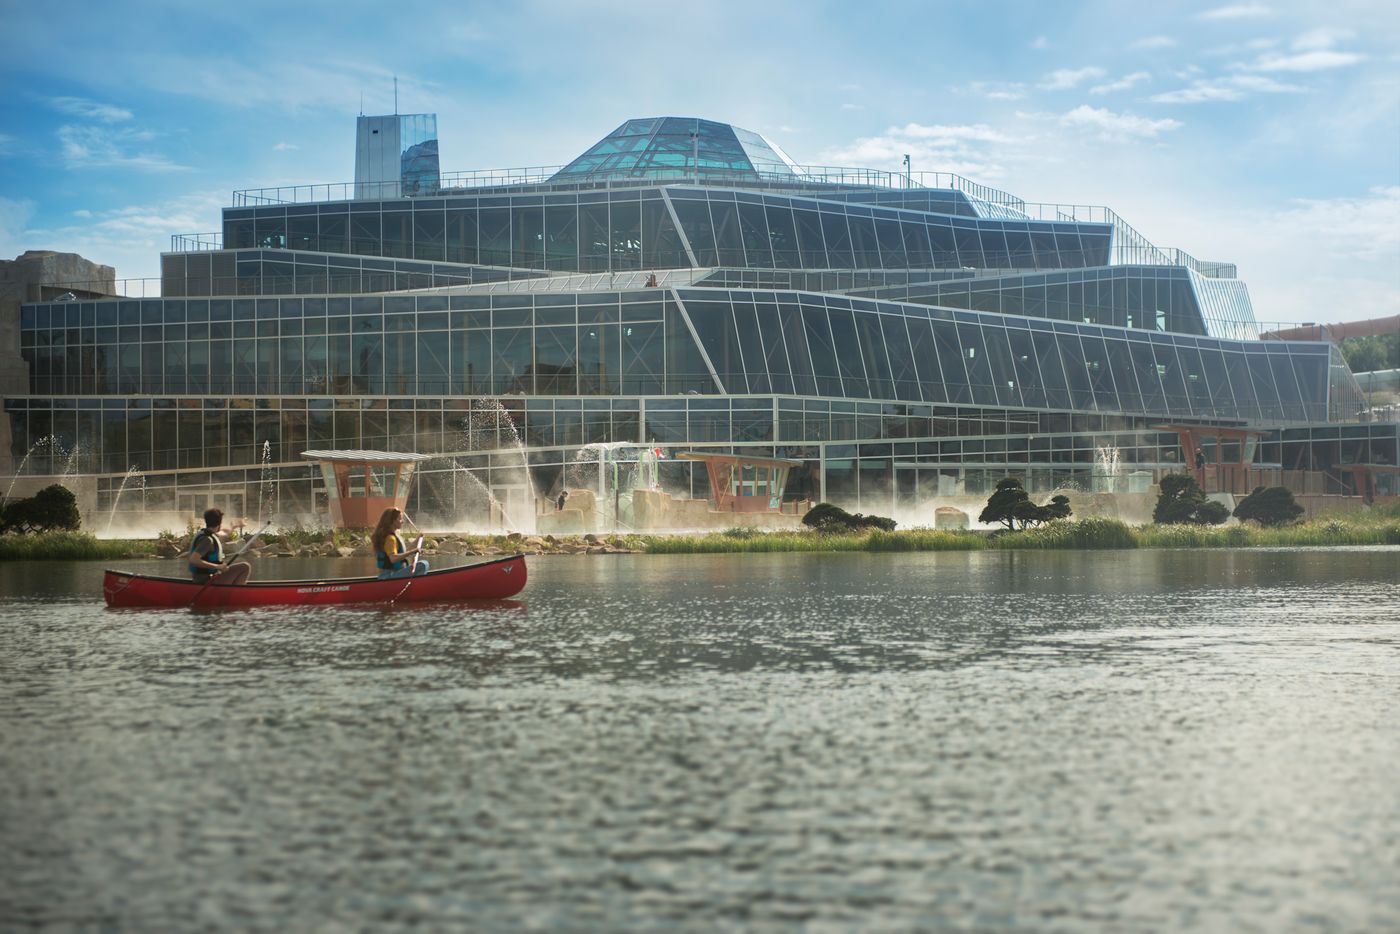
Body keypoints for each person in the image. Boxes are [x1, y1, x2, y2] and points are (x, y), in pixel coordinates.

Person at [188, 507, 252, 585]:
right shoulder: (207, 540)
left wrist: (236, 525)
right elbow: (193, 560)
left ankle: (233, 592)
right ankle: (236, 594)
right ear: (219, 523)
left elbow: (224, 532)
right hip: (205, 581)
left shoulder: (207, 533)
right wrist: (217, 567)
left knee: (242, 567)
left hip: (210, 578)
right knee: (244, 567)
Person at [371, 507, 429, 579]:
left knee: (422, 564)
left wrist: (417, 540)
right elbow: (393, 559)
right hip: (389, 576)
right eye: (400, 519)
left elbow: (402, 553)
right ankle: (416, 585)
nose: (402, 521)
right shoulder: (390, 538)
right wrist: (412, 552)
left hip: (395, 573)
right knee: (423, 564)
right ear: (392, 521)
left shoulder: (393, 536)